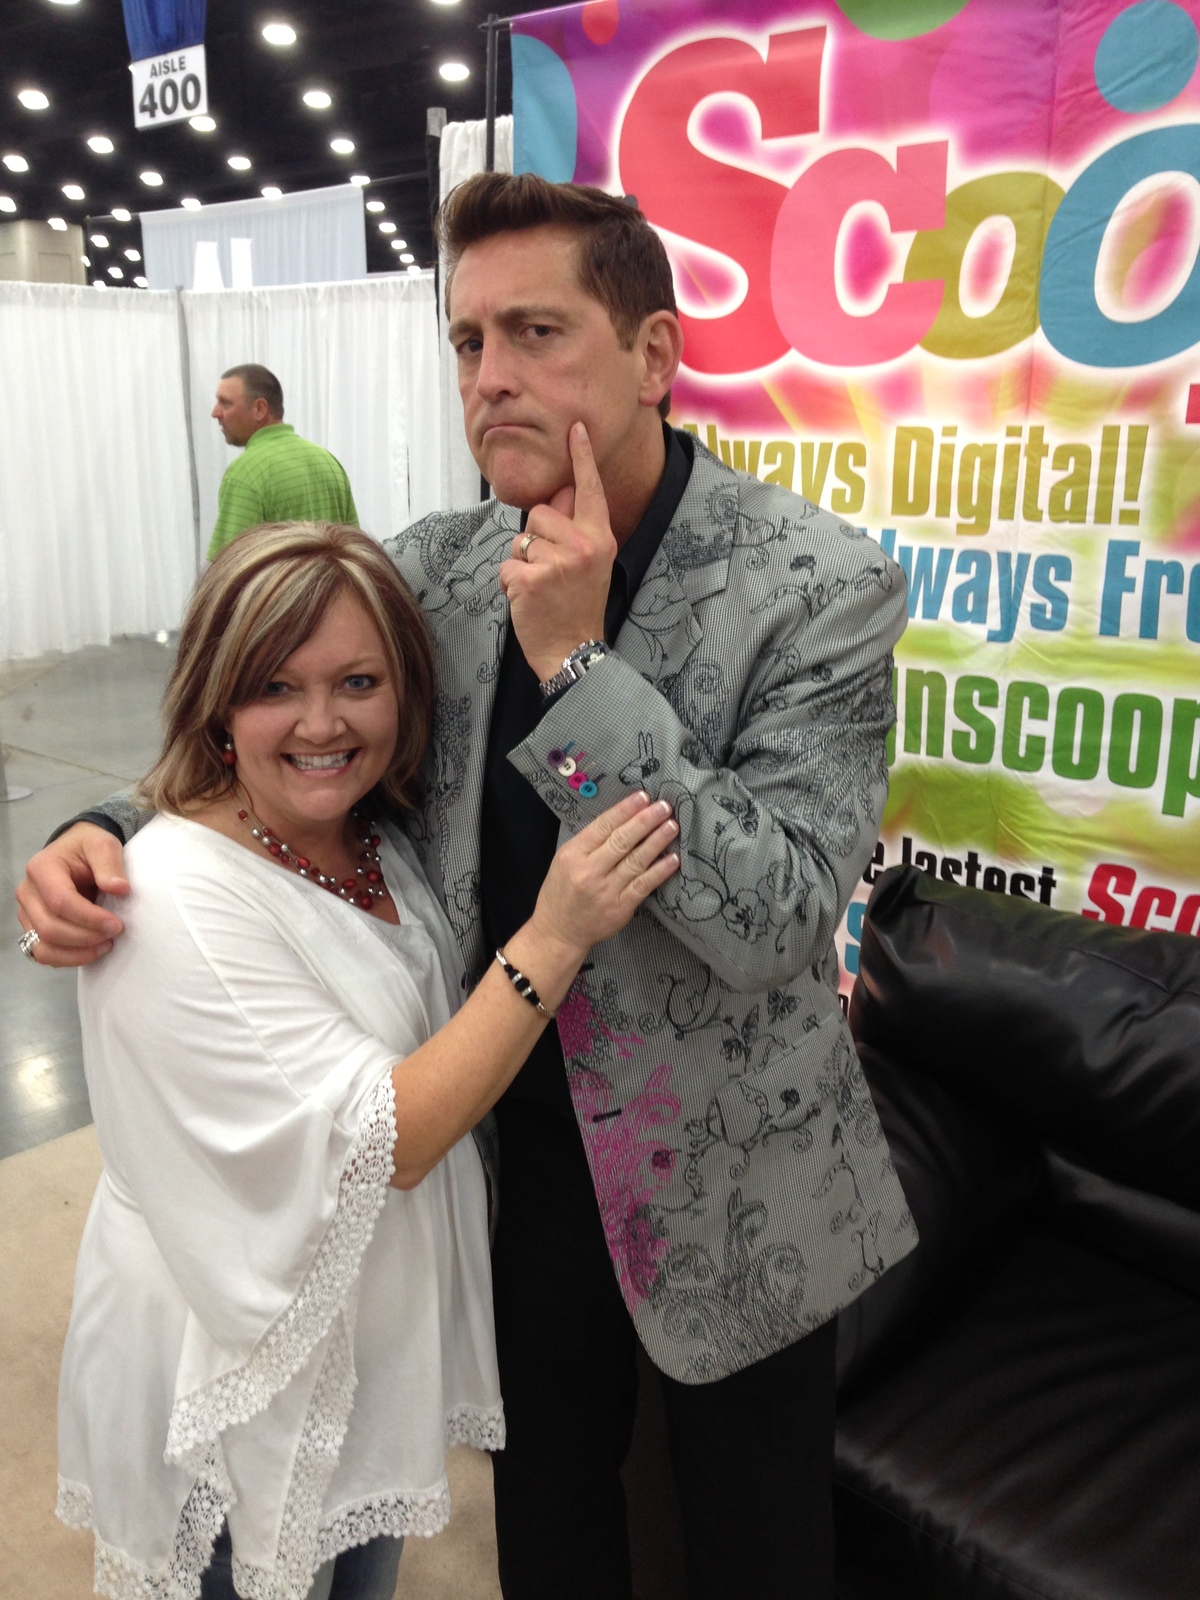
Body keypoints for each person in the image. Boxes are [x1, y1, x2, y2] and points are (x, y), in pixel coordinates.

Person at [19, 173, 915, 1600]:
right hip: (506, 1163)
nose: (489, 377)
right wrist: (107, 823)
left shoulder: (817, 585)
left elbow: (781, 915)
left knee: (759, 1550)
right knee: (551, 1530)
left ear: (654, 356)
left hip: (739, 1172)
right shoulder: (439, 566)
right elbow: (302, 739)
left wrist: (578, 666)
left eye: (536, 333)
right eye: (467, 339)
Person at [50, 520, 679, 1600]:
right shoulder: (177, 898)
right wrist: (557, 933)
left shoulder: (370, 837)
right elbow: (387, 1135)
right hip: (230, 1385)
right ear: (215, 701)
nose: (322, 723)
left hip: (348, 1366)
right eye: (275, 687)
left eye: (357, 682)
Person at [208, 365, 358, 560]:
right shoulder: (328, 462)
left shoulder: (246, 472)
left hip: (281, 582)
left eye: (226, 403)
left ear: (260, 409)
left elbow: (229, 566)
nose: (215, 412)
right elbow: (355, 550)